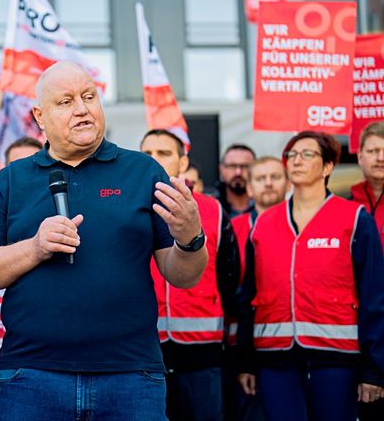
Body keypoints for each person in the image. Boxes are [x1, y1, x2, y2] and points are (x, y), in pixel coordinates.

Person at [0, 61, 207, 420]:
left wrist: (190, 239)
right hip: (32, 376)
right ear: (39, 116)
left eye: (89, 96)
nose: (81, 109)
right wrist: (34, 247)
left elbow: (184, 275)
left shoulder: (143, 171)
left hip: (130, 376)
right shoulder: (11, 180)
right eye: (65, 101)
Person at [236, 131, 384, 421]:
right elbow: (248, 296)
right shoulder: (263, 223)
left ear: (328, 167)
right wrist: (246, 362)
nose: (297, 161)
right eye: (291, 155)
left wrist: (375, 369)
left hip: (336, 359)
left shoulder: (354, 219)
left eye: (307, 154)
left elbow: (375, 298)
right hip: (274, 359)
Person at [140, 129, 240, 421]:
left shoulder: (213, 210)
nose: (154, 160)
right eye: (147, 154)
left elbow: (229, 276)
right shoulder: (127, 208)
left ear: (183, 163)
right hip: (144, 350)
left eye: (164, 153)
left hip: (203, 352)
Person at [227, 156, 288, 421]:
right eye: (261, 178)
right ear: (250, 188)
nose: (269, 184)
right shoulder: (234, 228)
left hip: (292, 345)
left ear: (287, 184)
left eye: (275, 177)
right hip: (240, 343)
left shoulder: (301, 228)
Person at [351, 121, 384, 420]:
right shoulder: (346, 206)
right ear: (359, 155)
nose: (380, 157)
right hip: (361, 328)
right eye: (373, 150)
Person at [215, 145, 256, 218]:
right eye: (232, 166)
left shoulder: (266, 207)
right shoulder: (211, 207)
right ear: (221, 169)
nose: (238, 172)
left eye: (245, 166)